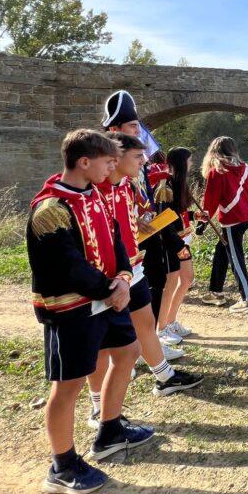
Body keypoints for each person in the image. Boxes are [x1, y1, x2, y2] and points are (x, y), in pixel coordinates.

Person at [28, 129, 152, 494]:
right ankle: (62, 465)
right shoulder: (51, 210)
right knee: (68, 385)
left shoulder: (95, 194)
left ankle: (110, 430)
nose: (113, 168)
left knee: (128, 351)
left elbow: (115, 238)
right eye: (107, 162)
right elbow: (67, 266)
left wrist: (124, 278)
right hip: (72, 308)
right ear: (84, 162)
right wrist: (111, 290)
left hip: (107, 299)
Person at [85, 132, 203, 414]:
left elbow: (135, 218)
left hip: (133, 267)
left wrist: (145, 221)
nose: (143, 162)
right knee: (103, 345)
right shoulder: (94, 190)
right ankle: (98, 408)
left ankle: (165, 377)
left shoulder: (129, 186)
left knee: (146, 323)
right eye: (138, 156)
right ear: (116, 158)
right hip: (108, 275)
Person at [101, 90, 190, 349]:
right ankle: (141, 346)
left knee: (154, 283)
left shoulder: (136, 159)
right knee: (135, 292)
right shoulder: (106, 165)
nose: (138, 131)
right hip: (125, 240)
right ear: (115, 129)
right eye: (132, 126)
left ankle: (150, 343)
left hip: (146, 231)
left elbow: (143, 194)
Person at [201, 136, 248, 314]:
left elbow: (211, 200)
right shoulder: (244, 167)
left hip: (232, 220)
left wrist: (202, 222)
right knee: (222, 251)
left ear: (214, 151)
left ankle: (247, 300)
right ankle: (216, 292)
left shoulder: (217, 172)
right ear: (233, 149)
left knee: (236, 258)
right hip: (245, 217)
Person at [158, 146, 197, 339]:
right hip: (171, 242)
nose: (192, 164)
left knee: (187, 279)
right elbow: (164, 220)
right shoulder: (165, 187)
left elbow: (177, 213)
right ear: (181, 163)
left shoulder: (179, 184)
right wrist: (178, 247)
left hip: (182, 239)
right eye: (189, 160)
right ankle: (162, 327)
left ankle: (171, 321)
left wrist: (194, 215)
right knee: (171, 283)